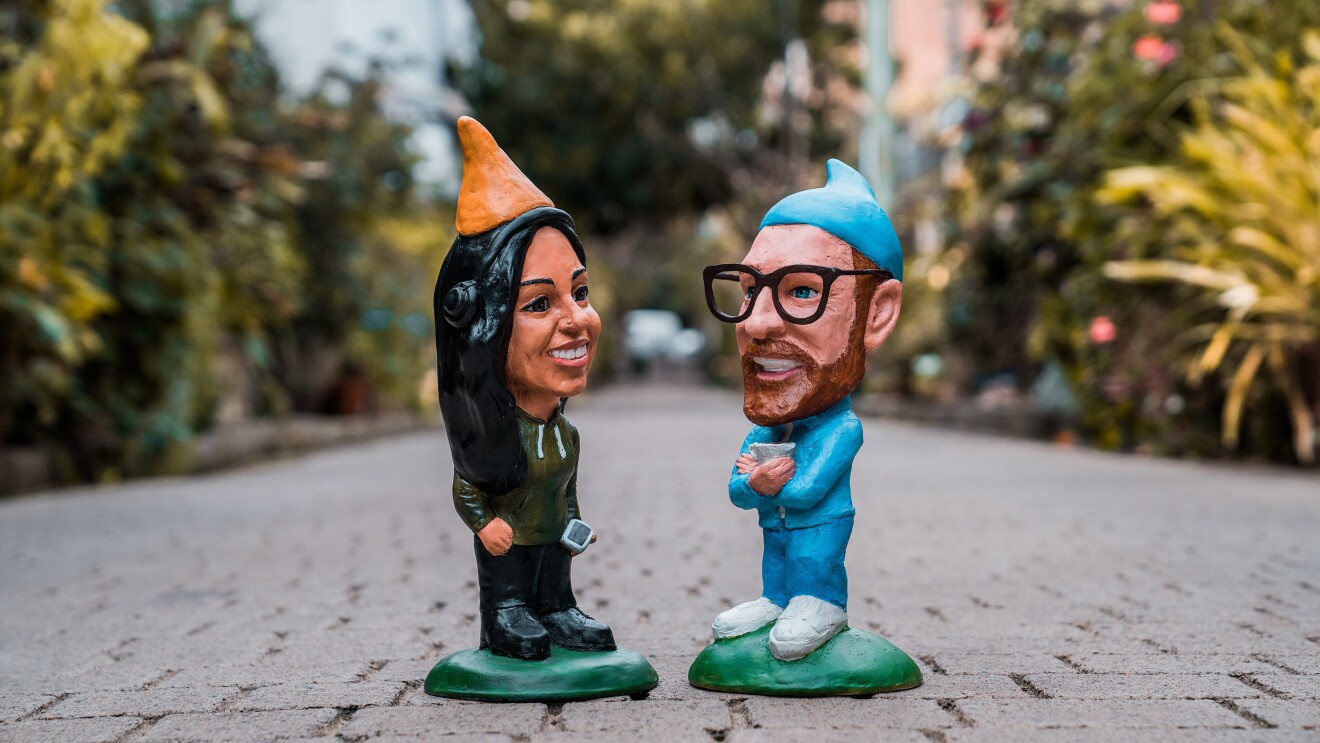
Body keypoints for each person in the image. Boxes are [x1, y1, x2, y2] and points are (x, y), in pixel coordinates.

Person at [701, 159, 903, 661]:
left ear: (876, 314)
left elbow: (808, 490)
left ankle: (821, 604)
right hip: (776, 530)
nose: (756, 323)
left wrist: (764, 481)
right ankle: (776, 601)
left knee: (812, 563)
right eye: (750, 290)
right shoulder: (767, 429)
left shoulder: (842, 429)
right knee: (777, 565)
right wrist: (755, 483)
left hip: (819, 530)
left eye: (803, 291)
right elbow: (737, 490)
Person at [434, 117, 614, 661]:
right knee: (510, 592)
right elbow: (467, 487)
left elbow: (568, 489)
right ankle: (506, 617)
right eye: (539, 303)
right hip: (507, 545)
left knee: (554, 590)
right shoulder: (493, 442)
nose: (576, 320)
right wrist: (485, 524)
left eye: (580, 292)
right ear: (483, 330)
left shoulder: (567, 435)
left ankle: (556, 609)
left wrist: (574, 522)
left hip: (554, 542)